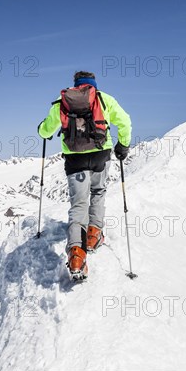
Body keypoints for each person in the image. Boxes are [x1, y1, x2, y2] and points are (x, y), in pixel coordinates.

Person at [38, 71, 131, 279]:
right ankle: (94, 234)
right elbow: (125, 121)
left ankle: (76, 254)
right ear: (93, 84)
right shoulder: (103, 99)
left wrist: (41, 130)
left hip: (75, 159)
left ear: (75, 84)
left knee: (78, 204)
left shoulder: (62, 103)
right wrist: (123, 145)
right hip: (100, 155)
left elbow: (45, 131)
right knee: (98, 191)